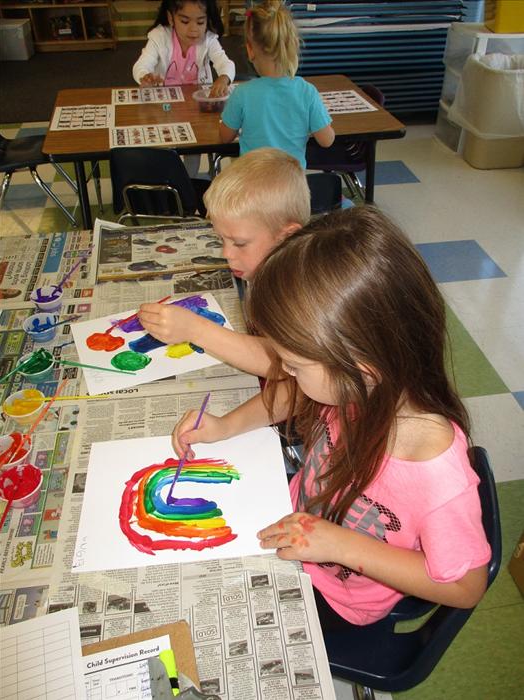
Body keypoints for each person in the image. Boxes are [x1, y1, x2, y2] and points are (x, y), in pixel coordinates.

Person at [171, 207, 491, 626]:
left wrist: (341, 546)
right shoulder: (364, 388)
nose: (284, 373)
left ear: (361, 369)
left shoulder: (436, 476)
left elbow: (466, 588)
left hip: (338, 595)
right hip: (292, 527)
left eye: (295, 364)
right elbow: (293, 396)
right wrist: (226, 426)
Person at [138, 147, 311, 377]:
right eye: (221, 239)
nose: (226, 253)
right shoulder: (266, 269)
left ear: (286, 237)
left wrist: (195, 329)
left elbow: (283, 367)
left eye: (239, 243)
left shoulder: (301, 292)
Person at [219, 0, 335, 167]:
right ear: (291, 46)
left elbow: (225, 137)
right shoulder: (307, 91)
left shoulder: (242, 93)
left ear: (250, 50)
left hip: (253, 185)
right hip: (291, 188)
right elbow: (326, 140)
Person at [132, 0, 235, 96]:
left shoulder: (209, 40)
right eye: (185, 21)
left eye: (200, 22)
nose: (193, 29)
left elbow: (225, 63)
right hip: (165, 100)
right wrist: (145, 76)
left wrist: (224, 78)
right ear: (171, 18)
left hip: (198, 101)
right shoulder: (159, 37)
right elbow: (141, 65)